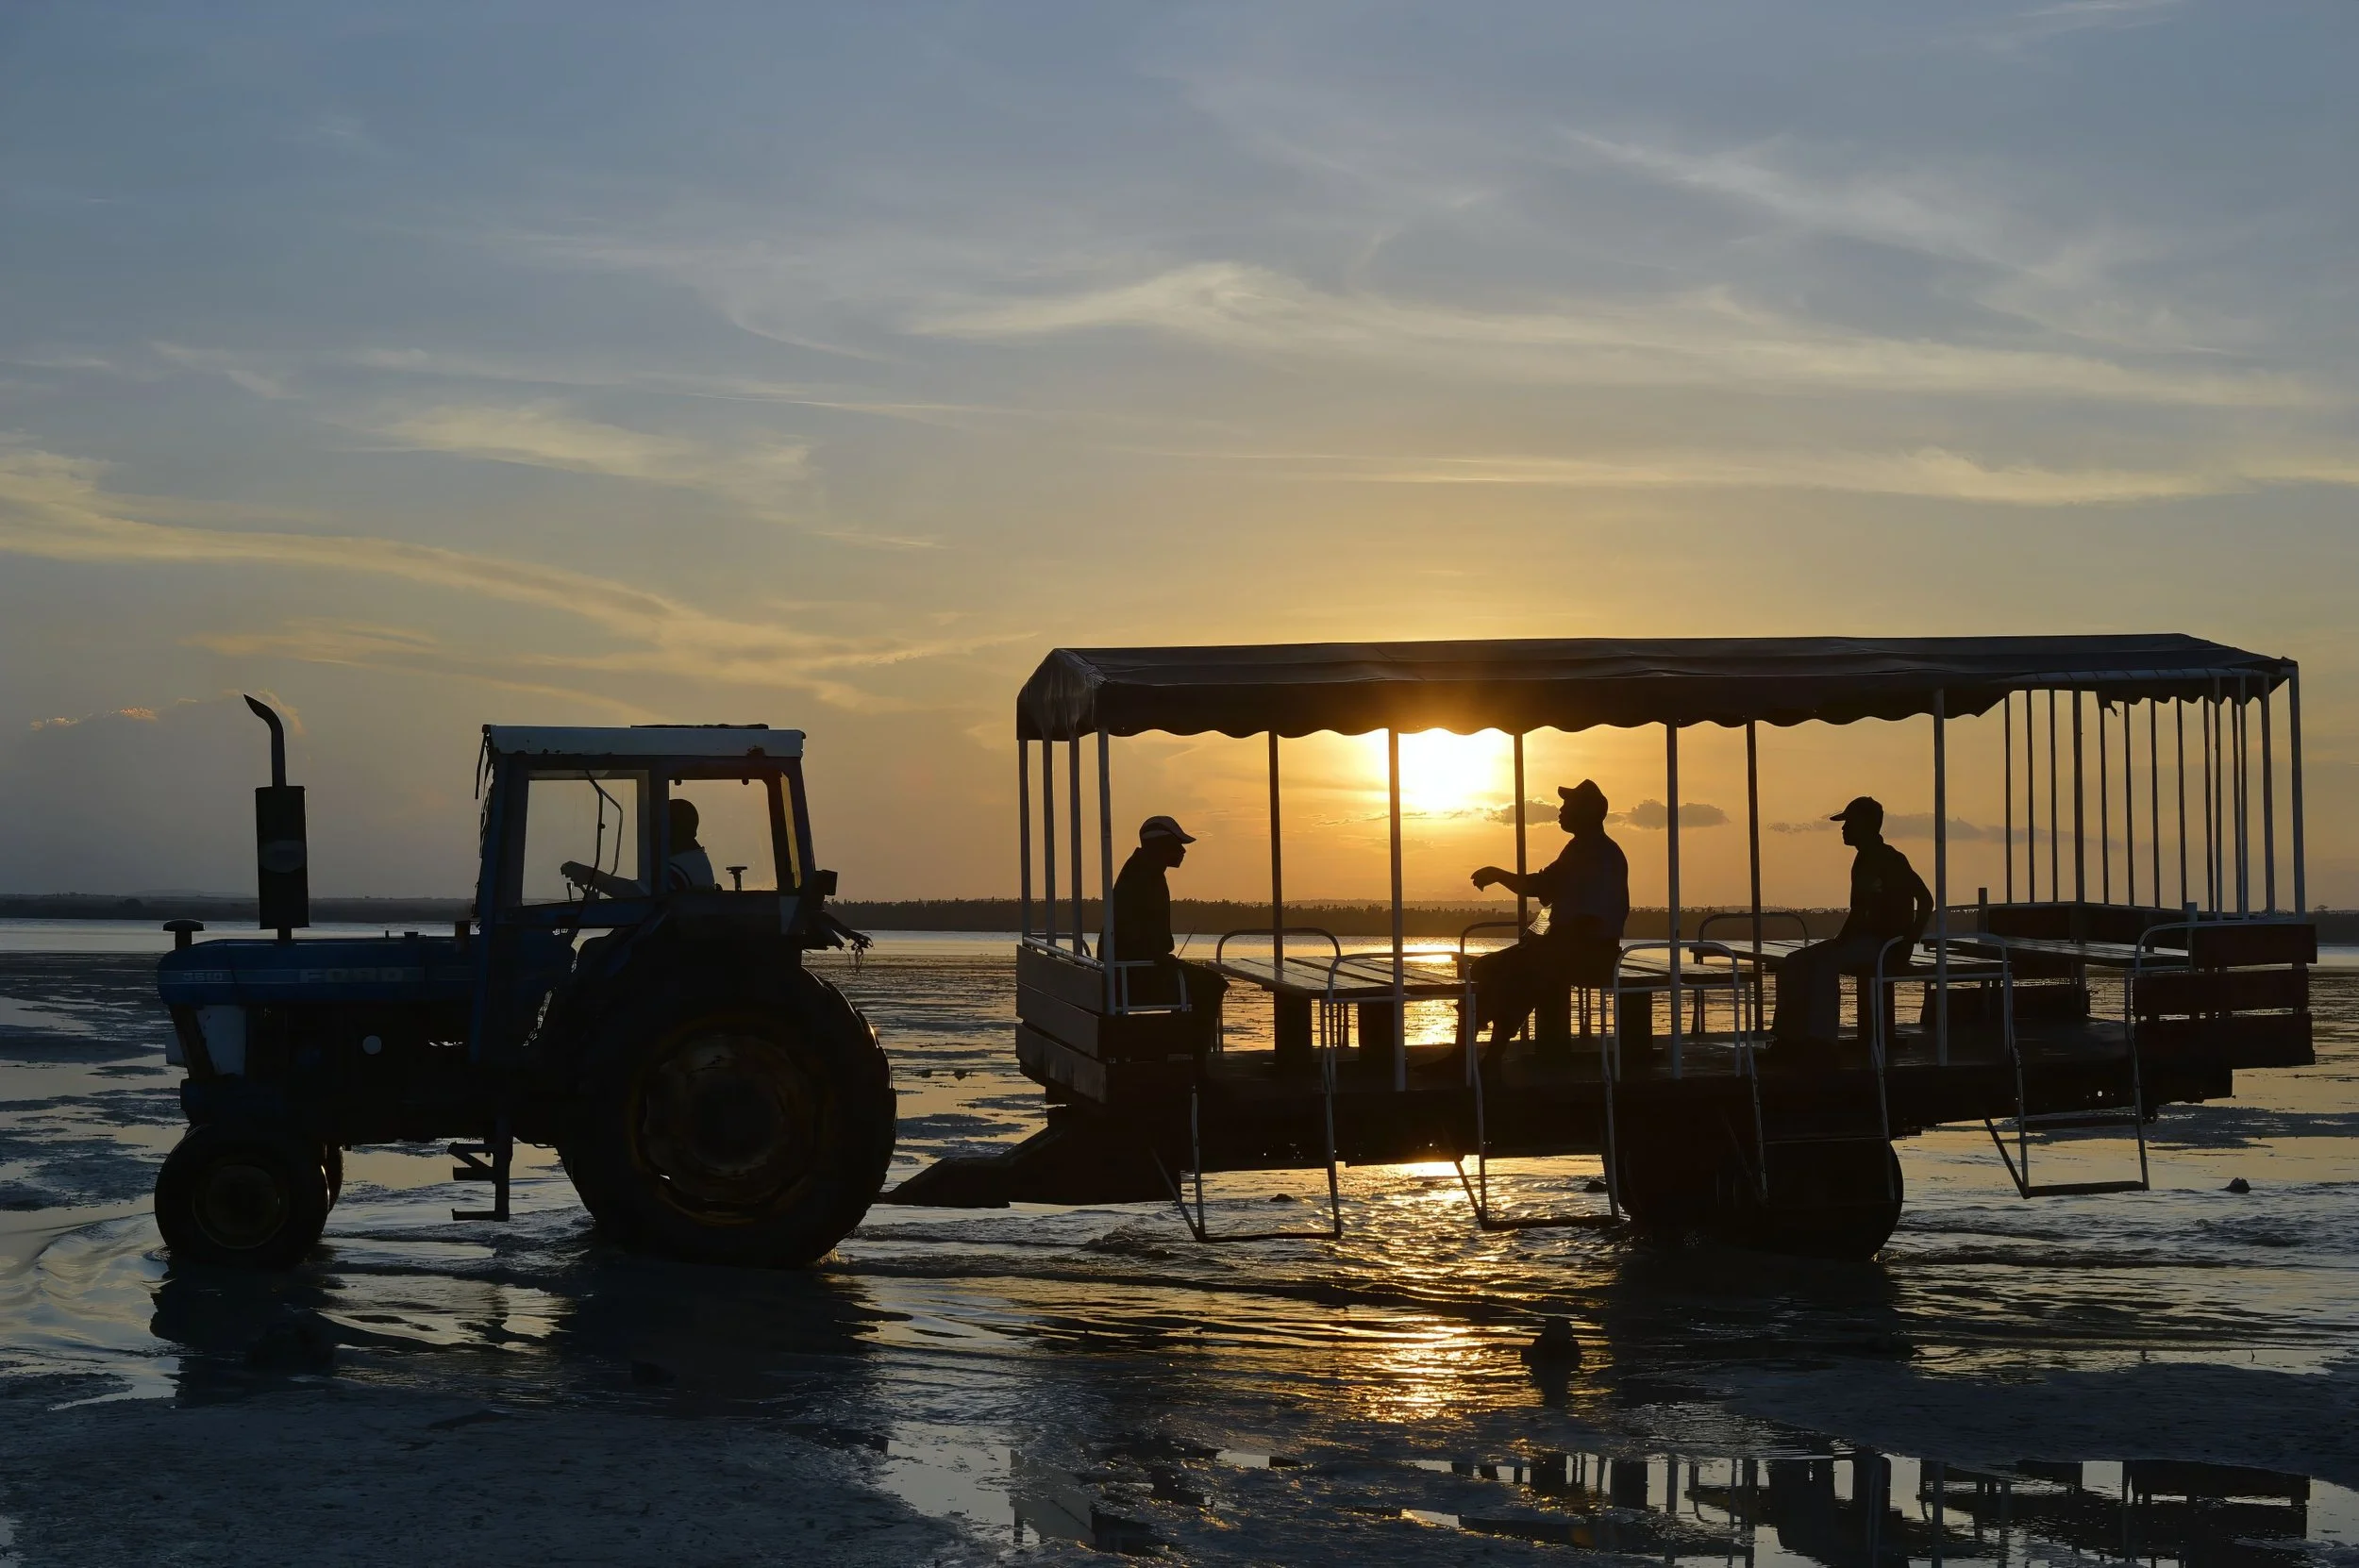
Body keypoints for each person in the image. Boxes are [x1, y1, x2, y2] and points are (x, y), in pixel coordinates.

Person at [1464, 779, 1631, 1070]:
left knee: (1511, 971)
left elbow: (1540, 885)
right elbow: (1548, 887)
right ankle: (1473, 1055)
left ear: (1586, 813)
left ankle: (1487, 1057)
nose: (1560, 810)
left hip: (1588, 954)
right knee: (1490, 968)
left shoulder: (1592, 851)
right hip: (1571, 948)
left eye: (1567, 806)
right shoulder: (1582, 848)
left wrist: (1498, 874)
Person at [1769, 795, 1933, 1050]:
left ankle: (1821, 1042)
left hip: (1884, 945)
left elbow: (1925, 900)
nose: (1843, 829)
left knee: (1825, 963)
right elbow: (1858, 912)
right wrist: (1841, 941)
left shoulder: (1890, 859)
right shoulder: (1863, 859)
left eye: (1849, 823)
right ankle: (1788, 1038)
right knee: (1794, 962)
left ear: (1866, 825)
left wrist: (1909, 941)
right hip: (1861, 941)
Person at [1109, 814, 1228, 1032]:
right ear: (1159, 846)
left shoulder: (1141, 870)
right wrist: (1162, 957)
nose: (1183, 851)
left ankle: (1184, 1043)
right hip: (1136, 976)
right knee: (1213, 985)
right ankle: (1192, 1050)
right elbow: (1135, 934)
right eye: (1177, 845)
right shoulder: (1146, 878)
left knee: (1204, 982)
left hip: (1131, 970)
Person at [561, 799, 718, 897]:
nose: (652, 832)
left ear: (672, 828)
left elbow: (637, 895)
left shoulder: (682, 867)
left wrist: (590, 876)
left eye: (658, 826)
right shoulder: (691, 861)